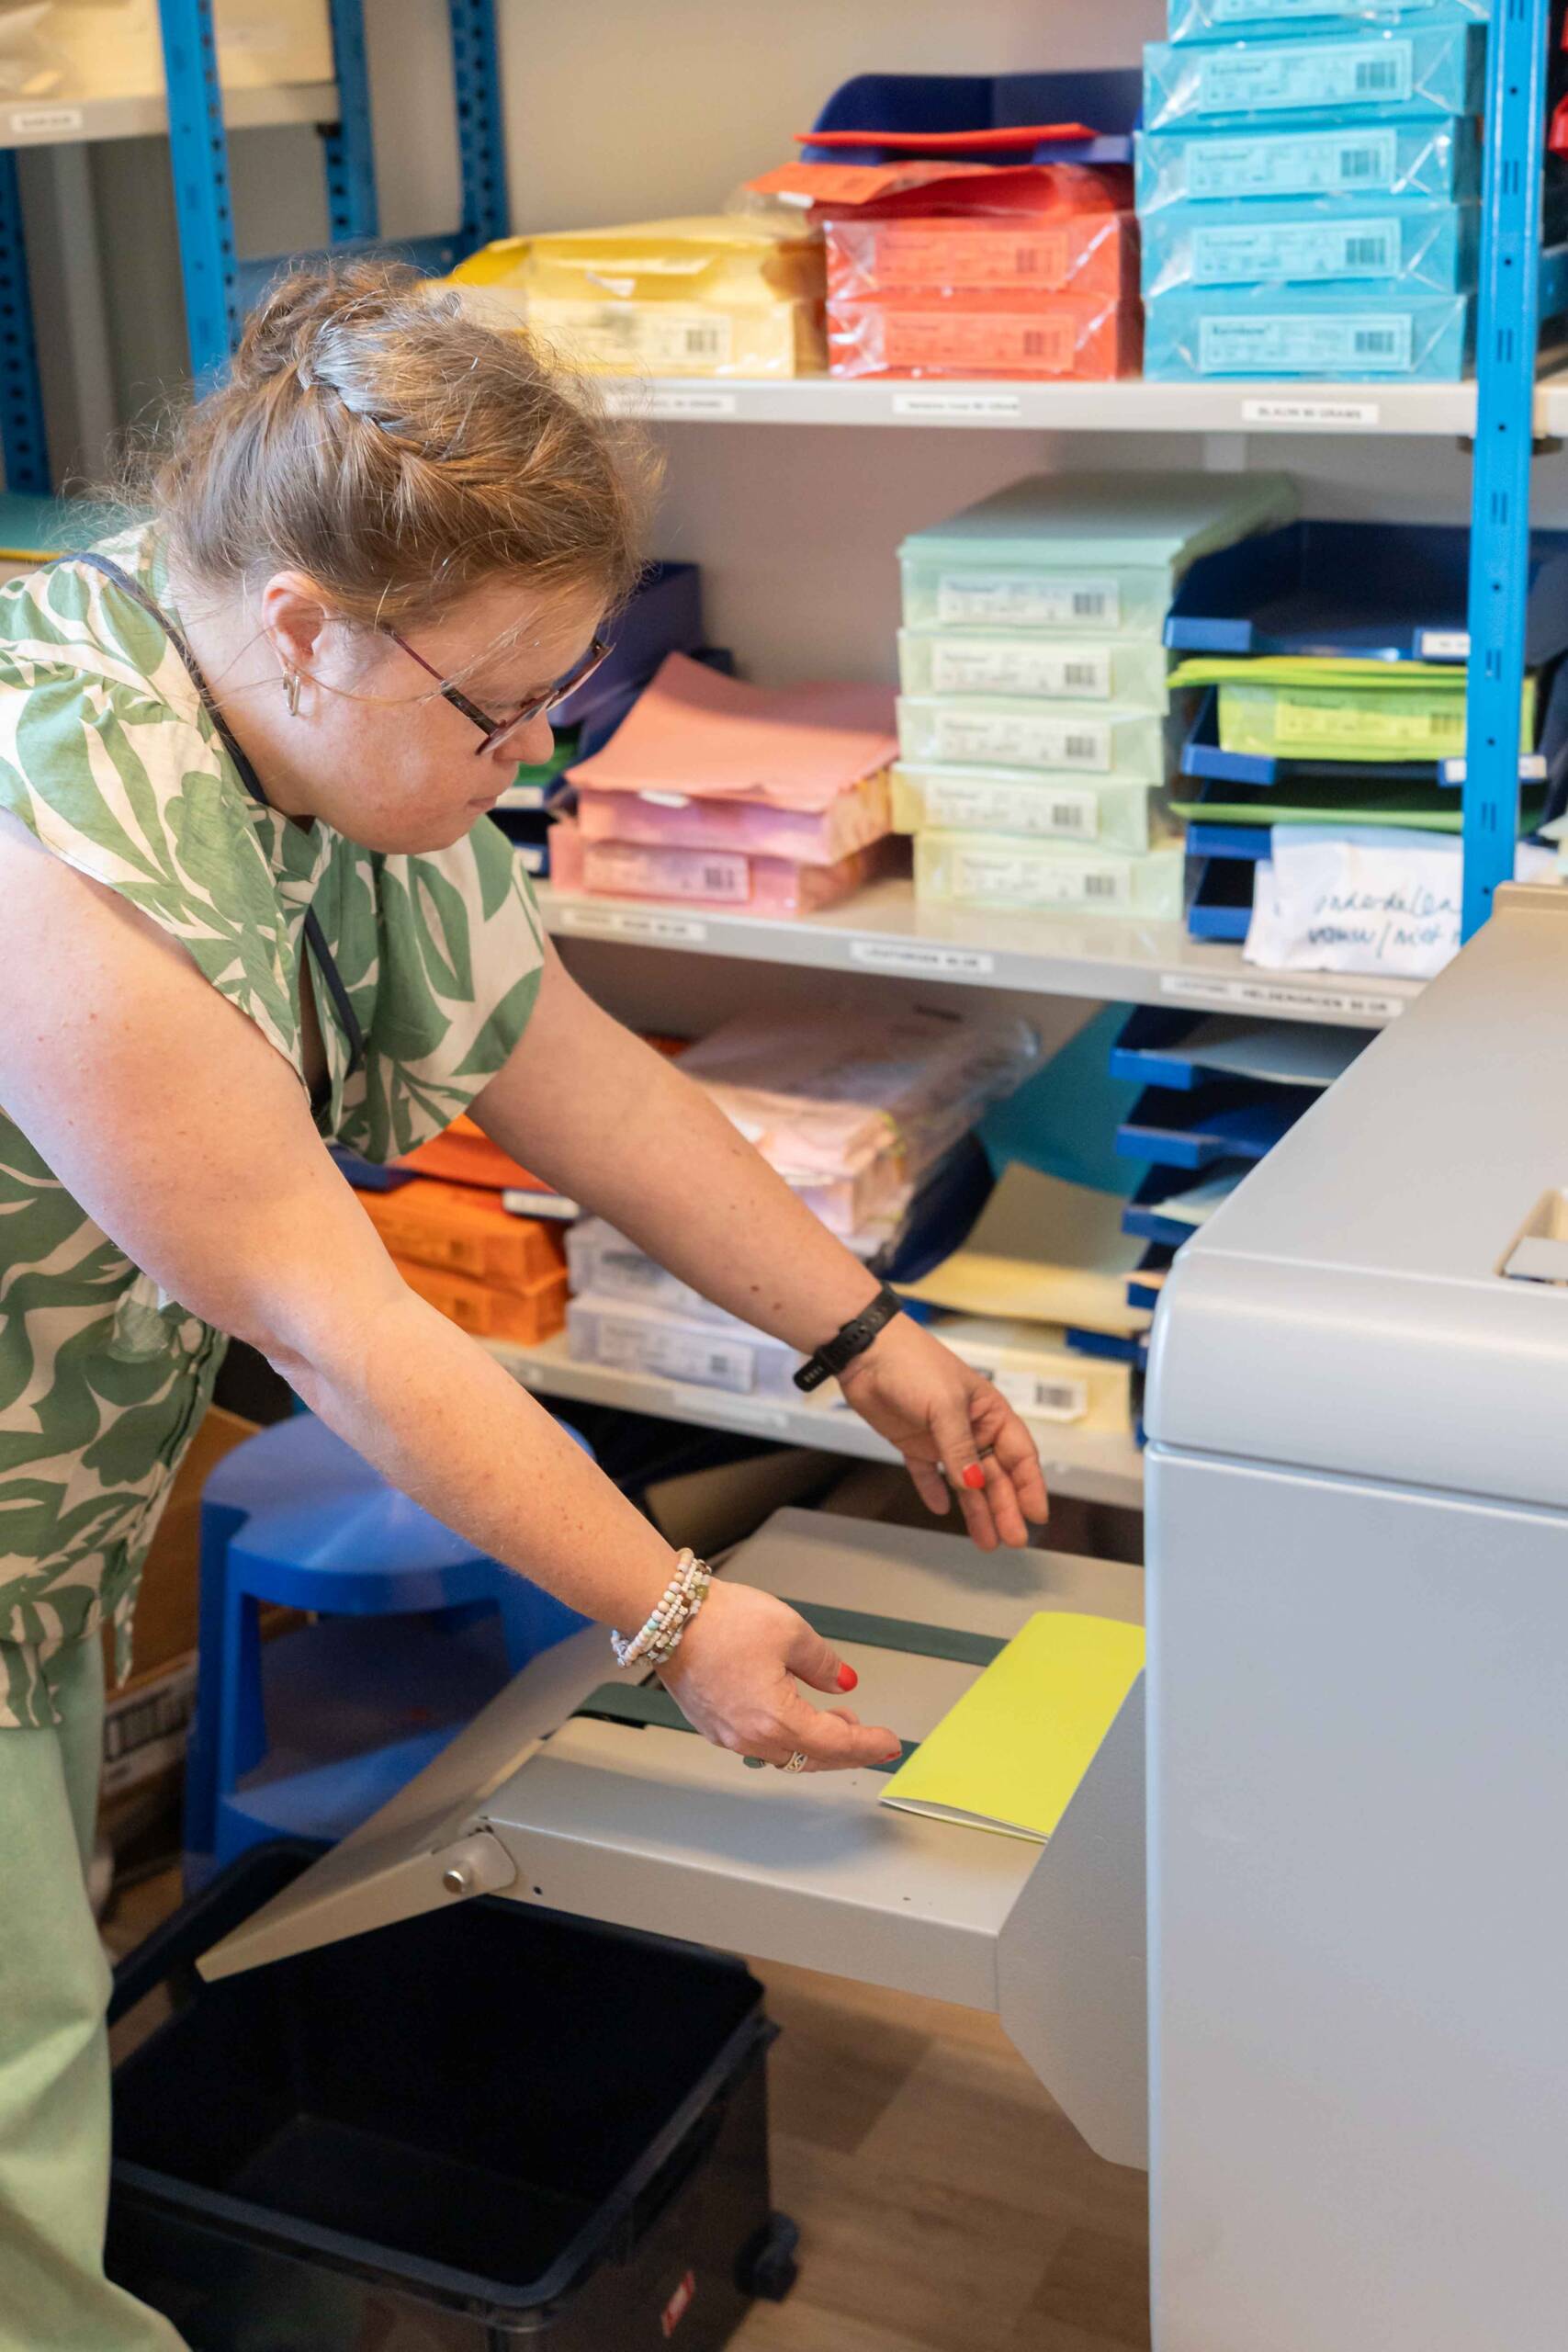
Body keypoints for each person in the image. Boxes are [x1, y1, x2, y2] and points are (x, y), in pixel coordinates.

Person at [0, 261, 1049, 2346]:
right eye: (498, 703)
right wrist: (675, 1618)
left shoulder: (329, 714)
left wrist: (868, 1339)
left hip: (33, 1522)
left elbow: (564, 1062)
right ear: (305, 624)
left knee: (36, 2072)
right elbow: (338, 1321)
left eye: (556, 693)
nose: (527, 747)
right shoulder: (63, 831)